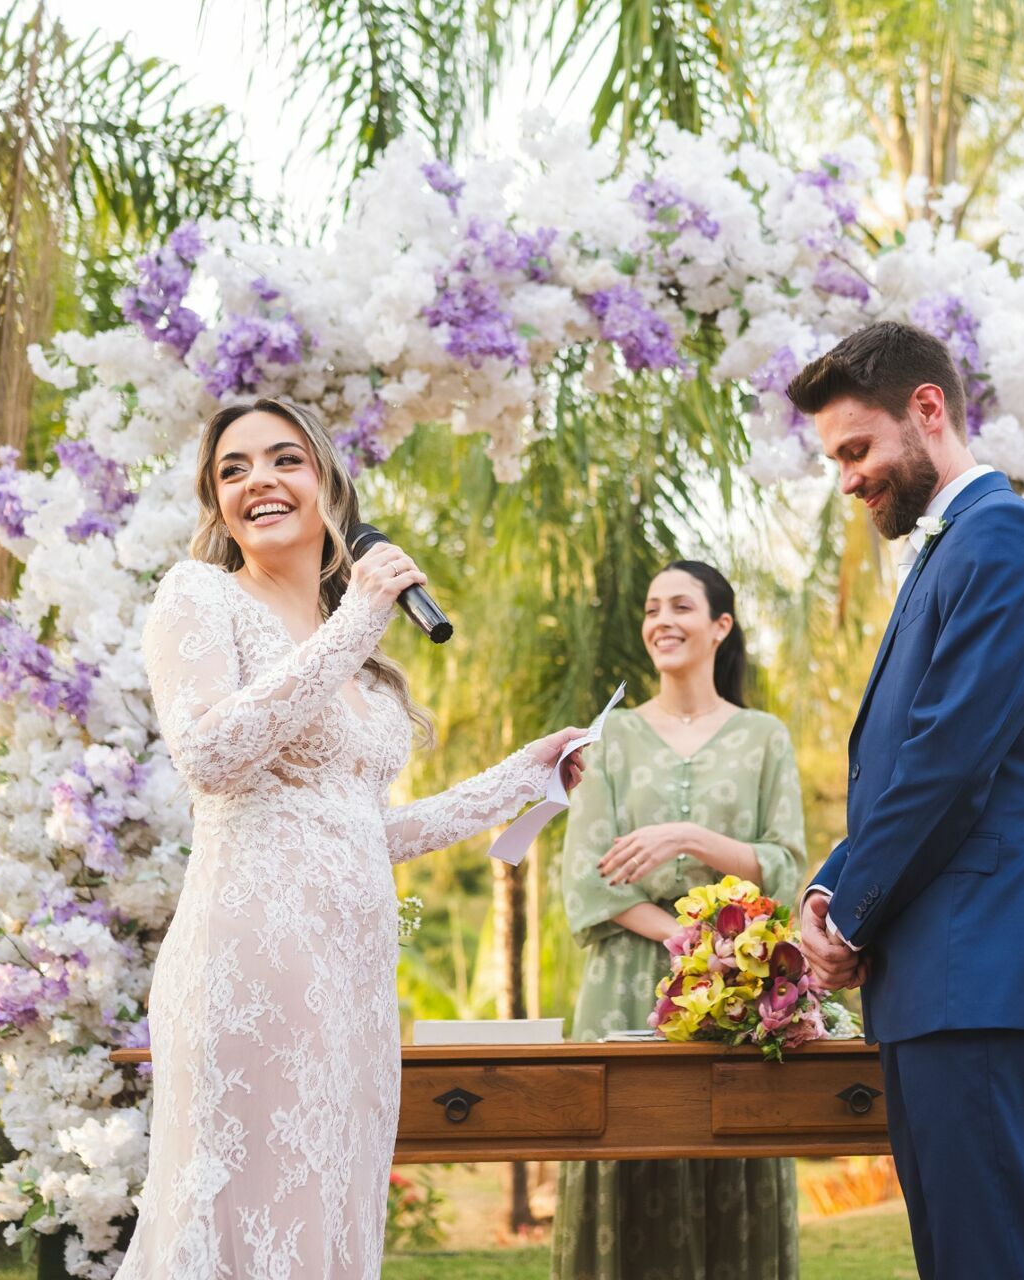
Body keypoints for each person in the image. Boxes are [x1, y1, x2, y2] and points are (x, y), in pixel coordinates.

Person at [119, 397, 588, 1279]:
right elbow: (210, 753)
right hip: (249, 961)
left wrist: (517, 780)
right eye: (233, 469)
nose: (258, 478)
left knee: (330, 1202)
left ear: (329, 484)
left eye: (283, 459)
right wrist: (354, 621)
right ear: (217, 503)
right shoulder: (201, 596)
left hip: (353, 974)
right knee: (248, 1207)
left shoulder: (365, 665)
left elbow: (365, 831)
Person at [788, 322, 1024, 1279]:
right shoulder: (948, 550)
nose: (847, 478)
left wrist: (852, 909)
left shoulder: (1006, 542)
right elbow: (913, 765)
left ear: (928, 410)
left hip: (982, 976)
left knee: (994, 1261)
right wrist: (831, 884)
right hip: (938, 983)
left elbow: (948, 764)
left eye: (856, 450)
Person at [552, 561, 807, 1280]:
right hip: (628, 986)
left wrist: (689, 836)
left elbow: (785, 866)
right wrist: (685, 939)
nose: (662, 620)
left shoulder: (765, 737)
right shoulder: (610, 740)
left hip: (737, 994)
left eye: (682, 606)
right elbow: (585, 881)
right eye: (651, 606)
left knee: (734, 1153)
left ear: (720, 626)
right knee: (630, 1161)